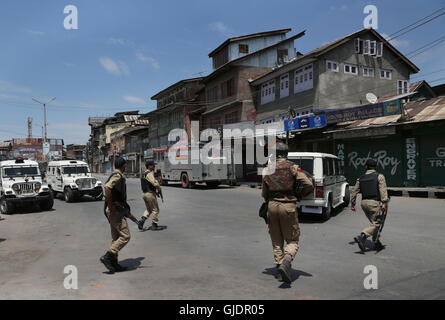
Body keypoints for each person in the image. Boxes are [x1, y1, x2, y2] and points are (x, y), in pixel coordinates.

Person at [261, 141, 313, 283]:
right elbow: (309, 184)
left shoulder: (267, 169)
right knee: (292, 239)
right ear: (286, 154)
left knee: (276, 239)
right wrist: (300, 195)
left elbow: (264, 194)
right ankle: (287, 260)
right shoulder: (294, 167)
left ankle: (279, 267)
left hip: (272, 206)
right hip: (288, 206)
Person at [100, 157, 134, 273]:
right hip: (115, 211)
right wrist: (111, 206)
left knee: (116, 238)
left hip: (114, 211)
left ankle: (114, 263)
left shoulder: (115, 174)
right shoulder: (117, 176)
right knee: (125, 236)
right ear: (123, 165)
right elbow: (107, 188)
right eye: (125, 165)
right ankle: (108, 256)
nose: (126, 167)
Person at [351, 159, 389, 252]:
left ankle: (376, 243)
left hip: (364, 204)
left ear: (366, 167)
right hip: (374, 203)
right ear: (376, 167)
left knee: (374, 222)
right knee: (377, 224)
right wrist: (384, 203)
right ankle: (363, 236)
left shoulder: (360, 178)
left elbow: (354, 192)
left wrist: (353, 204)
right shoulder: (379, 176)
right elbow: (383, 191)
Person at [138, 160, 162, 231]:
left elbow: (149, 184)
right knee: (156, 209)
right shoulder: (149, 174)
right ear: (149, 166)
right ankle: (154, 225)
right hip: (150, 194)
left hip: (145, 194)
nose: (154, 166)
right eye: (153, 165)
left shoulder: (144, 173)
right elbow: (155, 183)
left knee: (149, 209)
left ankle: (142, 221)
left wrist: (156, 192)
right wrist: (159, 188)